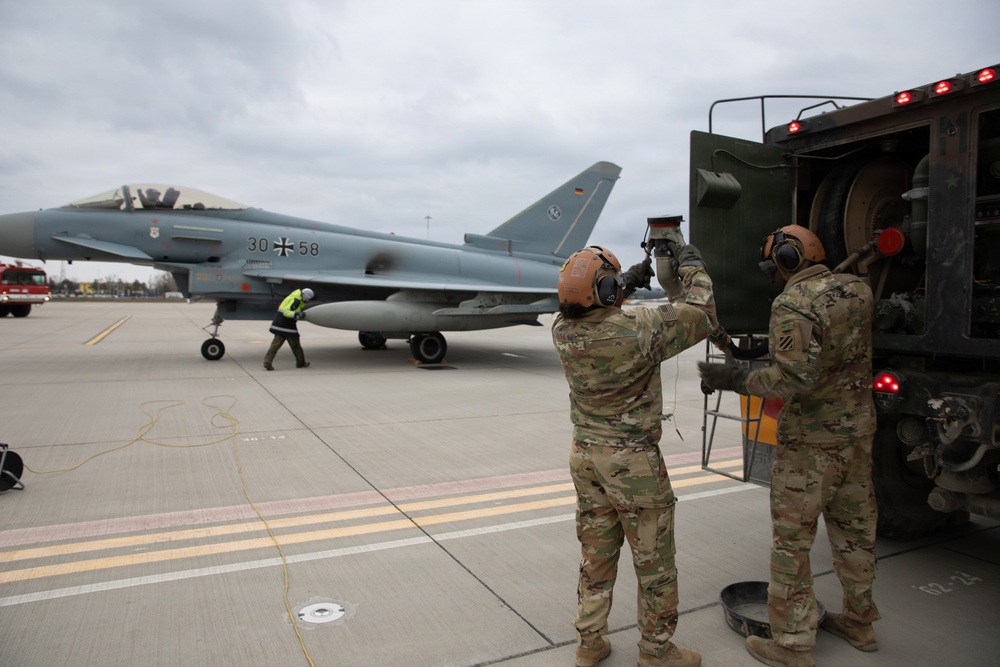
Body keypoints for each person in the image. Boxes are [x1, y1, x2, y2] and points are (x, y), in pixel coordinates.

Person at [697, 225, 879, 667]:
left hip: (810, 444)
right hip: (855, 433)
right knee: (854, 533)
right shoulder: (858, 290)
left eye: (772, 267)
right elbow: (829, 353)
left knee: (792, 543)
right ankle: (859, 621)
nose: (772, 276)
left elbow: (795, 378)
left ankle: (792, 645)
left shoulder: (793, 303)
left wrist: (732, 377)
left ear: (789, 259)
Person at [551, 239, 720, 667]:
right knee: (655, 563)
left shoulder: (562, 331)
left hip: (586, 455)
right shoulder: (638, 329)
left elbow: (587, 305)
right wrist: (691, 266)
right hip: (633, 465)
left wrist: (624, 281)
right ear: (606, 292)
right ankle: (656, 651)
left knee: (596, 554)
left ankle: (589, 643)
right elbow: (702, 314)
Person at [263, 287, 315, 370]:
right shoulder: (296, 301)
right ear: (305, 296)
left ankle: (267, 362)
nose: (308, 301)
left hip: (279, 324)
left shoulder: (292, 297)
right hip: (287, 326)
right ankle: (301, 363)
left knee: (275, 345)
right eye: (308, 299)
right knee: (296, 346)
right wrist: (297, 315)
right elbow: (286, 312)